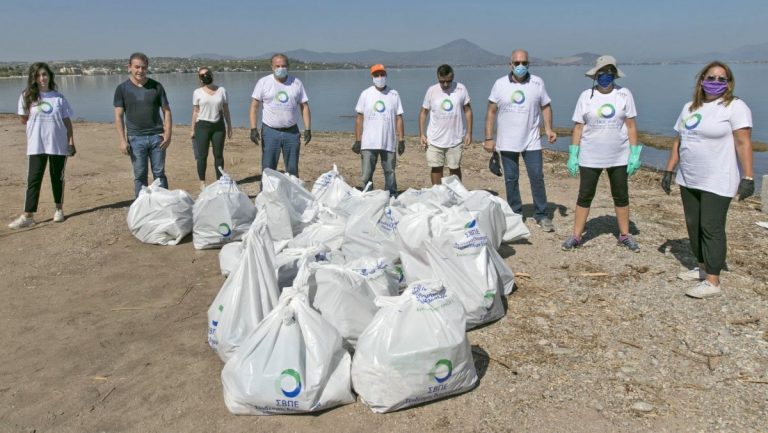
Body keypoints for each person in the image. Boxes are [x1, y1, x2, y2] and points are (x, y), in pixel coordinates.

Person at [661, 61, 754, 298]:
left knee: (711, 227)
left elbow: (743, 143)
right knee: (694, 226)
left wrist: (748, 176)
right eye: (710, 78)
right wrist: (669, 170)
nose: (715, 83)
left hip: (718, 179)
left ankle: (713, 281)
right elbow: (678, 141)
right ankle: (701, 268)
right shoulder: (690, 107)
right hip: (689, 178)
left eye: (721, 79)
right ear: (701, 80)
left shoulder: (735, 107)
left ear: (728, 83)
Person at [561, 55, 642, 252]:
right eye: (602, 72)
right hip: (590, 156)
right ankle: (576, 236)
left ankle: (624, 235)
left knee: (621, 195)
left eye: (610, 72)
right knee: (585, 195)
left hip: (619, 156)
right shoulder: (585, 96)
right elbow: (578, 127)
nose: (606, 76)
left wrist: (634, 153)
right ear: (595, 74)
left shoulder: (624, 94)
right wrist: (573, 154)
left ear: (615, 74)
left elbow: (630, 126)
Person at [484, 49, 557, 232]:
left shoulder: (537, 83)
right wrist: (488, 138)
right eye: (517, 63)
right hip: (507, 142)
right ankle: (515, 214)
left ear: (528, 64)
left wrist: (548, 129)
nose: (520, 66)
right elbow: (491, 112)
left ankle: (541, 214)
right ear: (510, 64)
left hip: (532, 141)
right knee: (511, 179)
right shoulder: (500, 84)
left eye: (524, 62)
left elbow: (546, 107)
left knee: (537, 177)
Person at [8, 63, 76, 229]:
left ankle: (59, 209)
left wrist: (71, 142)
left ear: (50, 76)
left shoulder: (58, 98)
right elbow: (24, 119)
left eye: (44, 74)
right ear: (33, 78)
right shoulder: (27, 96)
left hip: (57, 145)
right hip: (36, 145)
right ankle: (28, 215)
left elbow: (67, 122)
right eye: (38, 76)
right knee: (33, 180)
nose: (42, 78)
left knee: (57, 178)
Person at [114, 52, 172, 198]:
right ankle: (141, 207)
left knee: (159, 173)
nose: (140, 71)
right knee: (140, 175)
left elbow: (166, 111)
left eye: (143, 67)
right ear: (129, 67)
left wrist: (168, 134)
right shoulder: (122, 89)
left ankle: (164, 204)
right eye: (137, 67)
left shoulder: (156, 86)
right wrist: (122, 140)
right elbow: (118, 116)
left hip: (157, 137)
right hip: (135, 138)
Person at [249, 53, 311, 178]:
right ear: (272, 67)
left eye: (283, 66)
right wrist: (253, 128)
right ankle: (267, 194)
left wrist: (308, 129)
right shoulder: (264, 82)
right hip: (270, 131)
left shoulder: (296, 83)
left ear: (288, 66)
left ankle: (292, 194)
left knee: (292, 169)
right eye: (277, 66)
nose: (280, 68)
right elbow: (254, 107)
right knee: (268, 168)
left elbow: (304, 107)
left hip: (292, 132)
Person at [353, 64, 405, 195]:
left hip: (388, 142)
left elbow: (399, 118)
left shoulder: (394, 94)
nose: (379, 77)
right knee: (366, 175)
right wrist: (358, 140)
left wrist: (402, 140)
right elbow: (359, 118)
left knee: (390, 173)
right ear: (372, 77)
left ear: (386, 75)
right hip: (368, 143)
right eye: (376, 75)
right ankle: (367, 195)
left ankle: (391, 195)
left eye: (382, 74)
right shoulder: (366, 94)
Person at [419, 64, 472, 185]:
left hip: (455, 139)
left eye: (449, 81)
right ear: (438, 78)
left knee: (454, 167)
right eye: (442, 82)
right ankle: (438, 193)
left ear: (453, 77)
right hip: (434, 139)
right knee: (436, 167)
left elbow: (468, 111)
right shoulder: (432, 90)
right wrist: (422, 134)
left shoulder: (461, 89)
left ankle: (455, 192)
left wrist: (469, 132)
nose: (446, 85)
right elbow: (423, 112)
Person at [191, 67, 232, 190]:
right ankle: (202, 182)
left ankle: (220, 181)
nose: (205, 76)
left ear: (211, 74)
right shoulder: (197, 92)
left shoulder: (222, 90)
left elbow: (225, 109)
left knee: (218, 155)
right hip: (202, 126)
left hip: (218, 126)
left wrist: (229, 125)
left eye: (207, 74)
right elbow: (195, 111)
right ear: (199, 78)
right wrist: (192, 129)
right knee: (202, 156)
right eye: (202, 75)